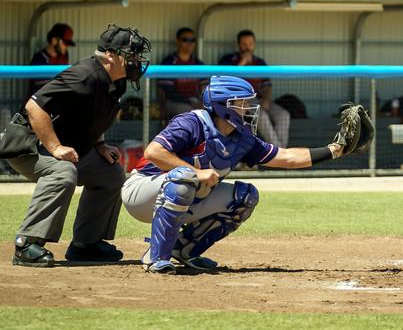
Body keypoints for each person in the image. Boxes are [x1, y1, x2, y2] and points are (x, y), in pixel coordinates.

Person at [121, 76, 353, 274]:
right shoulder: (192, 122)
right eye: (242, 103)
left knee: (246, 196)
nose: (249, 108)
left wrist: (335, 150)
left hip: (187, 196)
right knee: (184, 177)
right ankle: (156, 257)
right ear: (224, 106)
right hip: (142, 192)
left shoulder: (242, 137)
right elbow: (153, 152)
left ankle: (184, 250)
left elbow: (287, 157)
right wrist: (197, 172)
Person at [8, 24, 151, 267]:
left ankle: (86, 243)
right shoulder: (83, 75)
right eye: (131, 55)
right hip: (28, 144)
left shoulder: (117, 80)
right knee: (63, 172)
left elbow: (93, 116)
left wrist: (100, 145)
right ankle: (27, 243)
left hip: (66, 145)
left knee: (110, 173)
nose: (136, 61)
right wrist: (54, 148)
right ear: (110, 55)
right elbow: (34, 108)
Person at [218, 29, 290, 148]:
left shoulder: (260, 62)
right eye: (244, 44)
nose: (248, 47)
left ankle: (282, 151)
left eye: (251, 44)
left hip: (259, 100)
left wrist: (266, 99)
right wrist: (242, 63)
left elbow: (267, 86)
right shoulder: (228, 60)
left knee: (284, 115)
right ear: (238, 45)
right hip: (238, 102)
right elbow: (225, 83)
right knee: (261, 116)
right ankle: (280, 152)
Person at [157, 27, 209, 124]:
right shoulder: (169, 62)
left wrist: (203, 103)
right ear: (178, 41)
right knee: (192, 113)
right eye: (185, 40)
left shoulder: (198, 64)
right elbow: (168, 92)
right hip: (174, 102)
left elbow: (205, 88)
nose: (189, 43)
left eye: (192, 40)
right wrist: (192, 104)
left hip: (196, 101)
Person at [28, 23, 76, 98]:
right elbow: (40, 89)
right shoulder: (39, 59)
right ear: (54, 41)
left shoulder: (64, 55)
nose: (67, 47)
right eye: (65, 43)